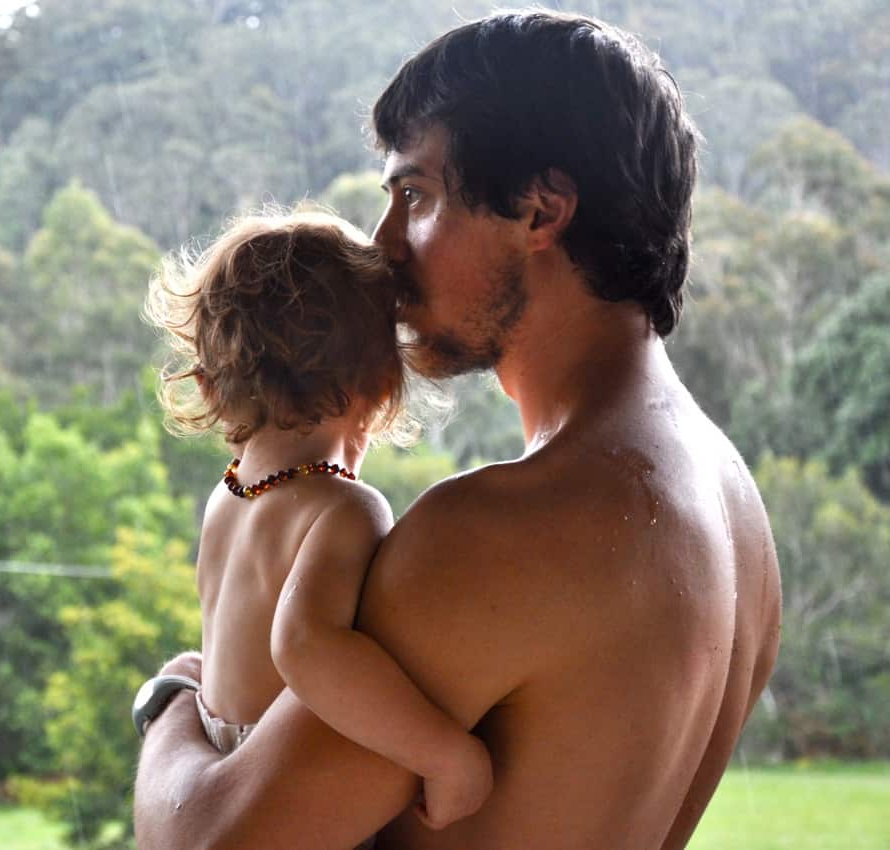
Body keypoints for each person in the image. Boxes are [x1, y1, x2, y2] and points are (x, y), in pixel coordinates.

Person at [132, 10, 782, 850]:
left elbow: (203, 844)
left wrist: (170, 705)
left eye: (416, 196)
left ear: (541, 211)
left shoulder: (499, 535)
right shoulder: (737, 508)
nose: (385, 245)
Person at [141, 208, 493, 833]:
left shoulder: (229, 495)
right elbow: (305, 646)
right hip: (276, 778)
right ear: (384, 386)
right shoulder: (344, 508)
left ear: (211, 386)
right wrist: (448, 756)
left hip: (213, 747)